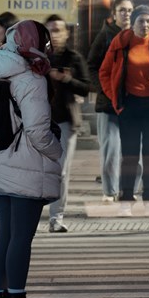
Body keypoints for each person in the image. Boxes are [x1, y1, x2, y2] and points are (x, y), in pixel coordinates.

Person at [0, 20, 62, 298]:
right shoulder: (30, 79)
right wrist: (57, 151)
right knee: (21, 239)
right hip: (25, 164)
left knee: (4, 237)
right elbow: (39, 132)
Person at [99, 4, 149, 216]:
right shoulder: (121, 42)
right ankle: (126, 199)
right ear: (133, 24)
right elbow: (105, 71)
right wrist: (115, 97)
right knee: (129, 155)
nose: (145, 24)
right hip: (130, 105)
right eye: (141, 21)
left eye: (148, 20)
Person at [44, 15, 91, 233]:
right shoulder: (39, 58)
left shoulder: (74, 58)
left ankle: (56, 216)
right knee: (38, 170)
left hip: (65, 121)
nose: (55, 34)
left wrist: (66, 80)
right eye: (51, 30)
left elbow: (86, 88)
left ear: (67, 33)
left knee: (61, 170)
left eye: (59, 30)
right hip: (40, 121)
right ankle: (32, 212)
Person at [87, 0, 133, 203]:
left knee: (134, 150)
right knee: (111, 151)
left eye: (130, 10)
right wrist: (104, 90)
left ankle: (130, 189)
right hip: (109, 103)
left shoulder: (138, 36)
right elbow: (92, 66)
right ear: (114, 13)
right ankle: (110, 191)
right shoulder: (106, 36)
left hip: (134, 102)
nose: (127, 14)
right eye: (122, 10)